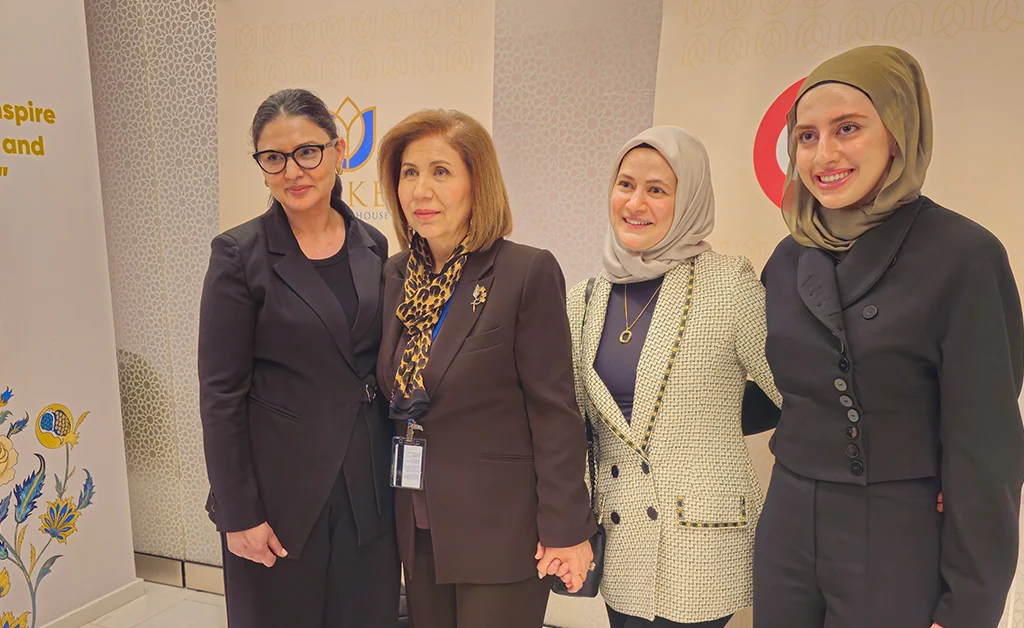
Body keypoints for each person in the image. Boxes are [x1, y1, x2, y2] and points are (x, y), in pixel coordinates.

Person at [754, 45, 1024, 628]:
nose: (823, 154)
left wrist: (968, 608)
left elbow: (988, 453)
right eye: (806, 136)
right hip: (788, 525)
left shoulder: (963, 255)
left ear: (898, 134)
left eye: (847, 128)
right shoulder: (787, 256)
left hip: (896, 530)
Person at [374, 108, 596, 628]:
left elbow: (554, 410)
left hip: (502, 530)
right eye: (409, 172)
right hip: (419, 523)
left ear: (479, 183)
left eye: (441, 171)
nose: (421, 191)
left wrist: (565, 525)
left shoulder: (525, 271)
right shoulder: (396, 275)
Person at [566, 126, 782, 628]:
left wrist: (722, 421)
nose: (635, 202)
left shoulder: (728, 282)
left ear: (689, 200)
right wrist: (570, 525)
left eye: (657, 190)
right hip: (621, 543)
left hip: (703, 539)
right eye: (625, 184)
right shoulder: (584, 298)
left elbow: (793, 394)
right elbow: (573, 425)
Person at [198, 88, 400, 627]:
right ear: (262, 168)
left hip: (368, 489)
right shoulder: (240, 255)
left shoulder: (373, 244)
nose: (294, 170)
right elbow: (220, 394)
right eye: (274, 158)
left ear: (338, 151)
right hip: (280, 496)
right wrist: (238, 512)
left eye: (308, 152)